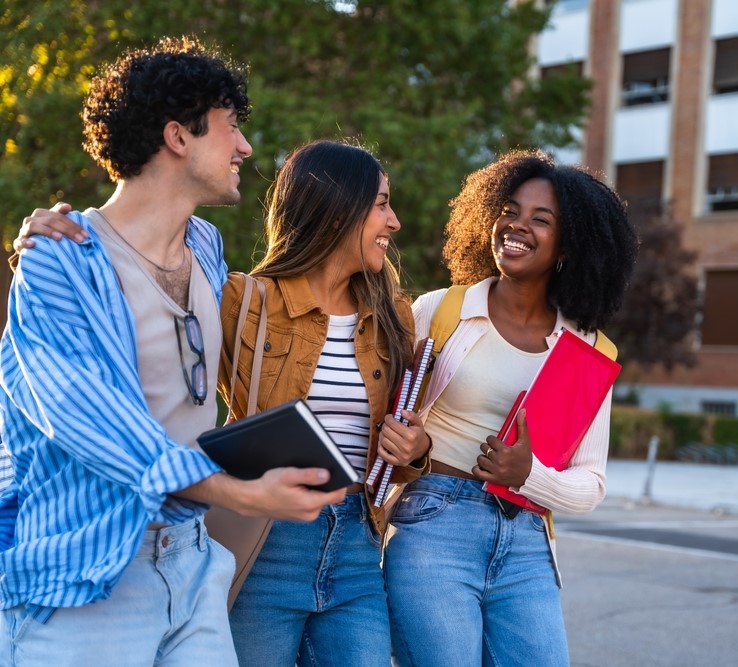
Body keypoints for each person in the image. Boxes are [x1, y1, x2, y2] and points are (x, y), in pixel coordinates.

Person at [0, 37, 345, 667]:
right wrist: (237, 491)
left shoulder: (207, 248)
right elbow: (88, 417)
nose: (244, 147)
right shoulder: (60, 262)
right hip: (88, 576)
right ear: (178, 137)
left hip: (191, 563)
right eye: (230, 128)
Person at [382, 149, 638, 666]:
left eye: (540, 220)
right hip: (435, 524)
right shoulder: (442, 310)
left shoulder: (588, 350)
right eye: (509, 211)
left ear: (569, 246)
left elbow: (591, 484)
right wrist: (417, 444)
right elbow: (390, 415)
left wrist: (528, 475)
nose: (517, 227)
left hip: (526, 543)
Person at [218, 139, 431, 666]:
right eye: (381, 204)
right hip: (264, 543)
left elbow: (400, 451)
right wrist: (71, 231)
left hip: (358, 543)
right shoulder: (242, 300)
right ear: (337, 210)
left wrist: (414, 448)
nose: (395, 221)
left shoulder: (393, 317)